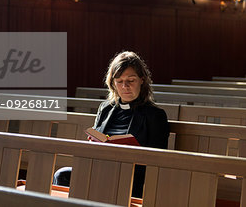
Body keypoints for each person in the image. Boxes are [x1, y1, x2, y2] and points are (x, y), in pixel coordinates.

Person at [54, 51, 169, 198]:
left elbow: (158, 160)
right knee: (62, 175)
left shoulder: (155, 115)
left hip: (132, 177)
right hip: (101, 168)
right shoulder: (105, 108)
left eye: (131, 80)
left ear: (142, 80)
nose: (125, 86)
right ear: (113, 83)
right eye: (119, 81)